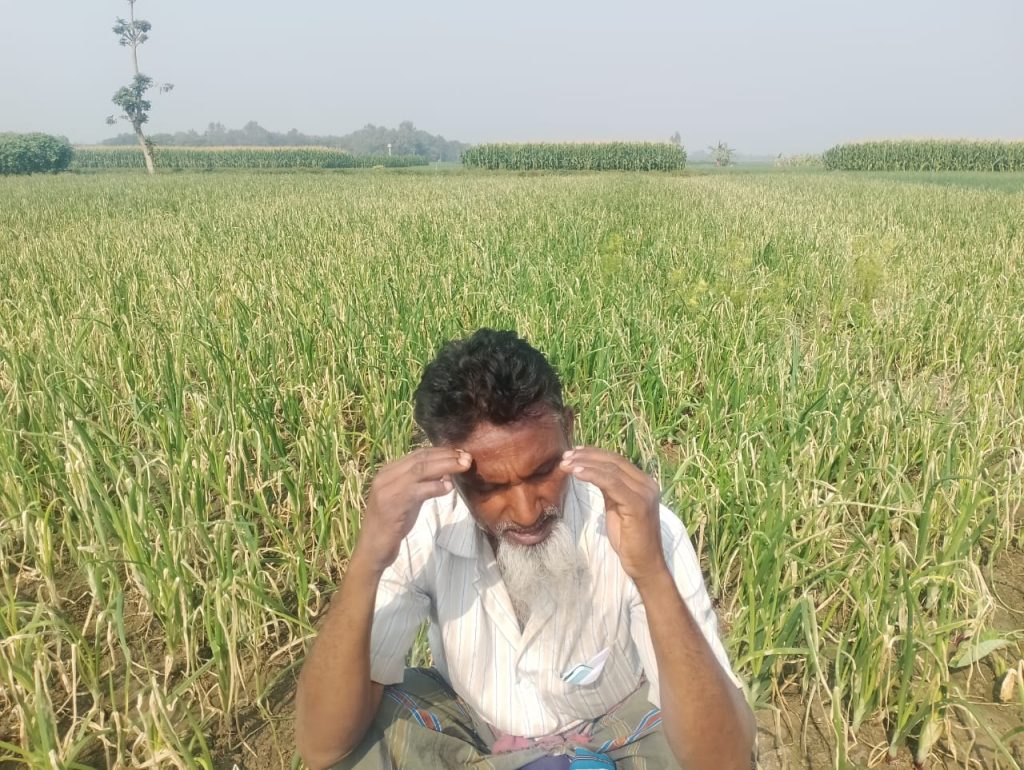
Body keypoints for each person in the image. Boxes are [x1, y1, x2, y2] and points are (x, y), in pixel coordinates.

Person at [296, 329, 756, 770]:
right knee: (362, 732)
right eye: (489, 487)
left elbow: (725, 762)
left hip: (618, 733)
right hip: (473, 732)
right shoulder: (421, 526)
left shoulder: (638, 524)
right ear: (445, 466)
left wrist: (651, 573)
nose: (526, 510)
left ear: (568, 429)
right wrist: (368, 560)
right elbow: (323, 748)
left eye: (542, 472)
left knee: (695, 722)